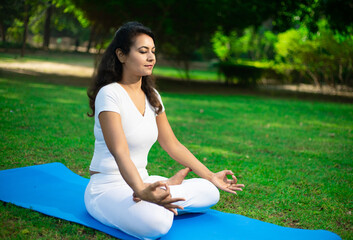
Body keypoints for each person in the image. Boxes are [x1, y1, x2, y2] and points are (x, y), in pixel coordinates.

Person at [84, 21, 245, 240]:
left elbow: (172, 144)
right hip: (108, 188)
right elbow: (119, 150)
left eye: (153, 51)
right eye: (143, 51)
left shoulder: (153, 96)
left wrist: (209, 176)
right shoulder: (109, 94)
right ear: (121, 55)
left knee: (210, 191)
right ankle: (159, 195)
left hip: (144, 181)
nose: (151, 57)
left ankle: (162, 191)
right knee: (157, 224)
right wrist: (140, 190)